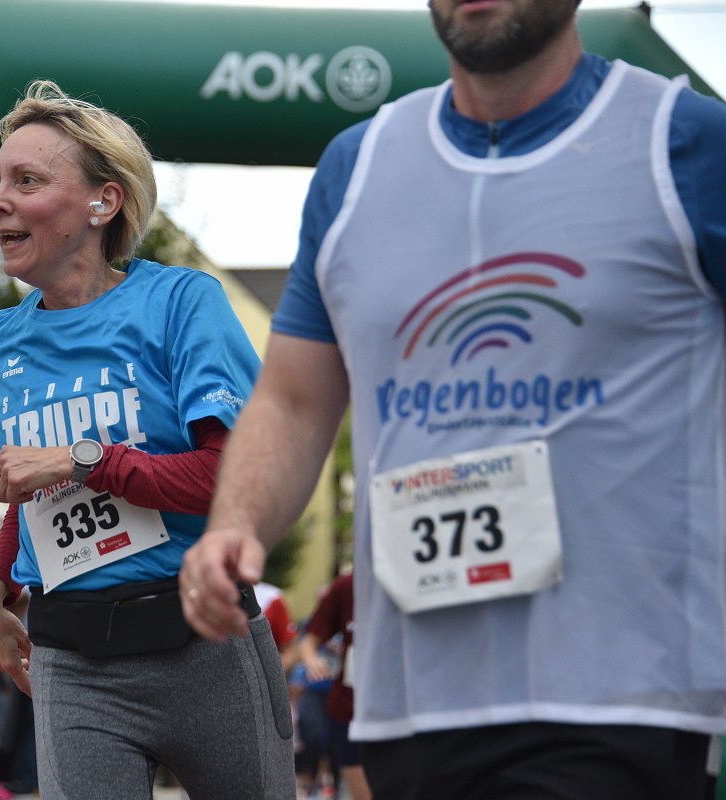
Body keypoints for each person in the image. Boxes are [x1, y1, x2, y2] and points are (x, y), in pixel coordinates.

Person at [179, 1, 726, 797]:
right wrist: (235, 526)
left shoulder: (688, 143)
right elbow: (294, 401)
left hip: (621, 696)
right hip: (411, 705)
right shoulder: (356, 167)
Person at [0, 79, 294, 800]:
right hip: (72, 656)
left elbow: (231, 479)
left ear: (103, 202)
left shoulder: (182, 303)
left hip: (203, 639)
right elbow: (34, 487)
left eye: (27, 181)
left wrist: (83, 459)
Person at [298, 573, 368, 800]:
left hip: (406, 710)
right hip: (349, 710)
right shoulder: (347, 586)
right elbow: (309, 641)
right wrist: (312, 661)